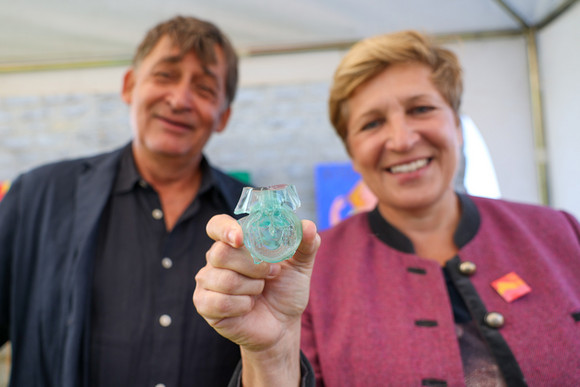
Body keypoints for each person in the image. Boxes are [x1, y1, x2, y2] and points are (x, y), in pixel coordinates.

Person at [193, 30, 580, 386]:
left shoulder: (561, 233)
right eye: (372, 123)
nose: (402, 139)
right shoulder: (307, 271)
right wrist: (271, 354)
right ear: (353, 156)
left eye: (421, 109)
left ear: (458, 127)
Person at [0, 15, 248, 386]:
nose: (180, 99)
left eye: (204, 88)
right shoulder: (39, 195)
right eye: (165, 75)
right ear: (130, 86)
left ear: (223, 116)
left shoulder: (249, 220)